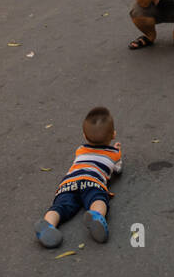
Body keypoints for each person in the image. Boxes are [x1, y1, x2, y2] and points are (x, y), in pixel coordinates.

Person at [34, 106, 122, 248]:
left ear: (85, 136)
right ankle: (96, 215)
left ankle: (49, 223)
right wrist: (117, 151)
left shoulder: (80, 150)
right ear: (113, 135)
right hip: (93, 181)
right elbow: (117, 169)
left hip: (70, 182)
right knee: (98, 199)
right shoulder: (114, 155)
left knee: (60, 206)